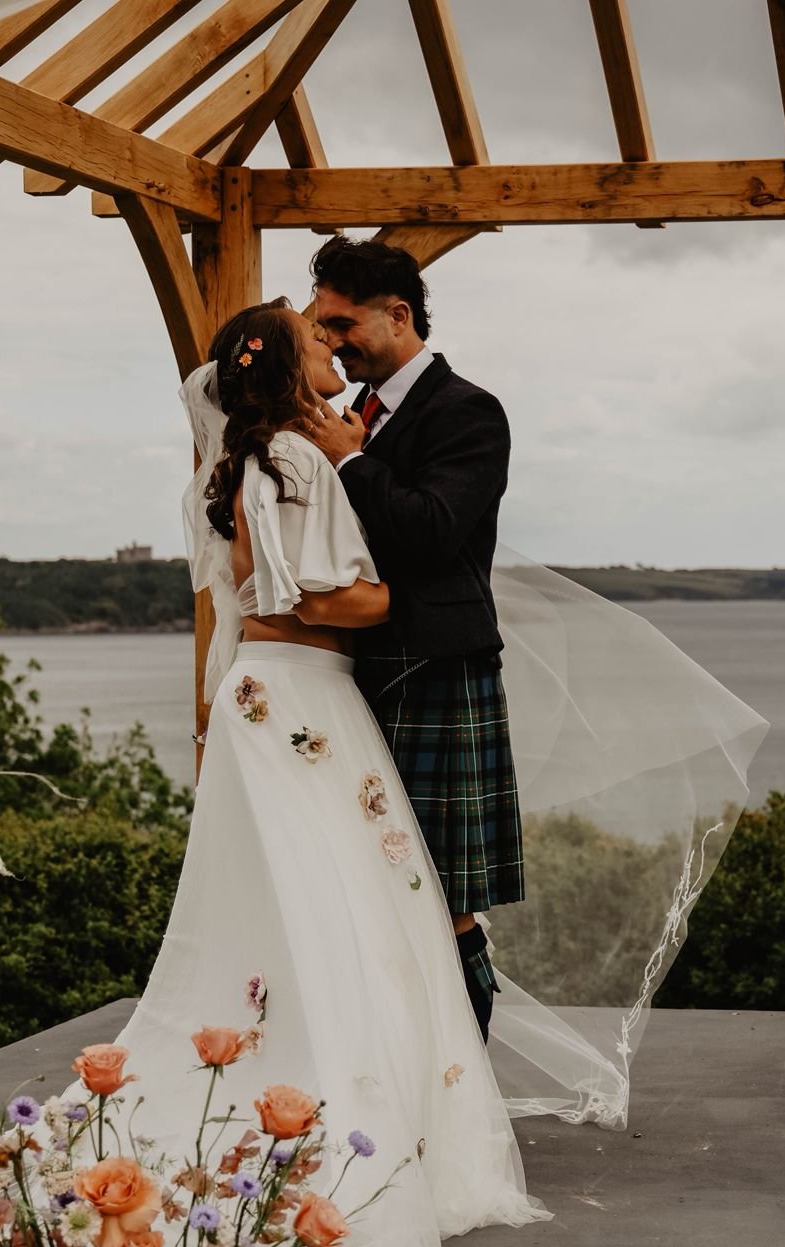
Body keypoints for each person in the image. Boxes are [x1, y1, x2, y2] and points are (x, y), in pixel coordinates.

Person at [0, 299, 550, 1247]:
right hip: (306, 695)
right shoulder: (301, 461)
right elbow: (318, 596)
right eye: (315, 340)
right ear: (290, 374)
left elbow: (257, 587)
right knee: (342, 913)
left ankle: (314, 1095)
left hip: (273, 699)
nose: (331, 346)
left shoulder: (240, 467)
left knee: (293, 912)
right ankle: (353, 1124)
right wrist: (415, 595)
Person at [301, 237, 515, 1042]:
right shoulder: (353, 418)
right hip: (357, 672)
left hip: (435, 668)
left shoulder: (468, 410)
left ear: (398, 314)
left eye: (342, 323)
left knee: (444, 894)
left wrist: (354, 459)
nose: (332, 340)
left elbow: (431, 531)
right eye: (323, 327)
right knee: (371, 883)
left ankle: (466, 1088)